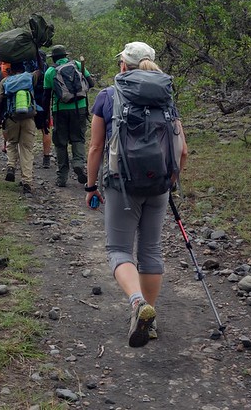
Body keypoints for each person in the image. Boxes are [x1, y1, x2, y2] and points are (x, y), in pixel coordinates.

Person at [84, 41, 188, 348]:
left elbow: (95, 147)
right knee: (151, 250)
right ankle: (150, 320)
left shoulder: (107, 95)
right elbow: (183, 151)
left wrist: (91, 186)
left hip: (121, 184)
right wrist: (169, 179)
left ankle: (137, 303)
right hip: (159, 185)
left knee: (118, 249)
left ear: (123, 66)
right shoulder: (166, 96)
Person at [43, 45, 94, 187]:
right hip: (80, 108)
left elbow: (46, 97)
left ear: (53, 58)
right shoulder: (77, 65)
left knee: (60, 143)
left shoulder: (50, 72)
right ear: (66, 55)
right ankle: (78, 163)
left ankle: (62, 177)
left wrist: (45, 117)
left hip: (59, 110)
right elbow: (91, 83)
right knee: (78, 138)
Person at [0, 61, 38, 195]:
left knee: (12, 143)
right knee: (26, 149)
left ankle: (11, 167)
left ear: (10, 71)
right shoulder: (30, 78)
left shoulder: (5, 82)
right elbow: (40, 70)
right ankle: (27, 183)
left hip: (11, 118)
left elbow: (0, 100)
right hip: (28, 118)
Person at [33, 50, 53, 168]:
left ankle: (27, 156)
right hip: (44, 104)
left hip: (30, 102)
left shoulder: (30, 69)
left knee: (28, 130)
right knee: (46, 129)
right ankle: (46, 157)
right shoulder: (49, 70)